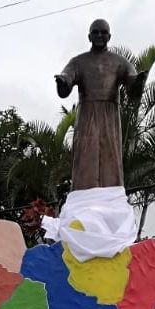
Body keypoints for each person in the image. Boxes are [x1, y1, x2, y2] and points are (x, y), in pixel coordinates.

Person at [54, 19, 147, 190]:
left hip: (110, 115)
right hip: (87, 114)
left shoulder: (119, 61)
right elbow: (66, 78)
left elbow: (132, 84)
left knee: (111, 154)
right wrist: (62, 82)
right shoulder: (78, 62)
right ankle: (83, 192)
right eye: (95, 32)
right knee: (85, 154)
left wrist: (138, 82)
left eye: (103, 32)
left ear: (109, 36)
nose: (99, 35)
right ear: (89, 36)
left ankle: (112, 192)